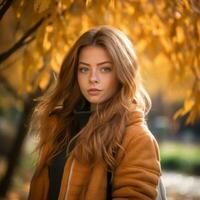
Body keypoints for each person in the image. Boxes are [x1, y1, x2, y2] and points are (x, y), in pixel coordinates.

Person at [28, 25, 161, 200]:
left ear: (123, 73)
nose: (93, 78)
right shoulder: (58, 126)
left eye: (105, 68)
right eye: (84, 69)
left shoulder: (136, 138)